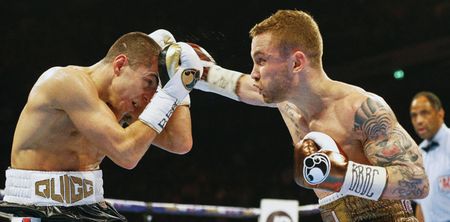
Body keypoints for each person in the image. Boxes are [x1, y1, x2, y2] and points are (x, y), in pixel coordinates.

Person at [190, 10, 429, 221]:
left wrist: (347, 176)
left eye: (261, 61)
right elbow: (240, 85)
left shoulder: (362, 109)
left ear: (296, 63)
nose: (254, 73)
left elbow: (418, 182)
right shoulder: (288, 103)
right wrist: (199, 72)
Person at [0, 30, 203, 221]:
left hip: (91, 207)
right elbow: (127, 154)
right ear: (120, 64)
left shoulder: (123, 106)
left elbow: (179, 142)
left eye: (157, 87)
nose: (150, 97)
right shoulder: (65, 82)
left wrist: (179, 88)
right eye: (149, 82)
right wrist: (170, 94)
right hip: (33, 206)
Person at [410, 91, 450, 222]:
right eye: (414, 116)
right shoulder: (417, 154)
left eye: (424, 113)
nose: (419, 121)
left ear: (440, 113)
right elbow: (421, 204)